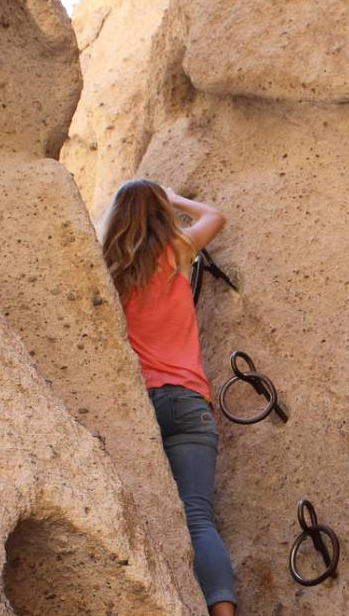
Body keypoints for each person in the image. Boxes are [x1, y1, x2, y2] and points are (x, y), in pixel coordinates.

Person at [101, 179, 236, 616]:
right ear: (159, 215)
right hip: (187, 400)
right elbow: (215, 217)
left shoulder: (108, 269)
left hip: (137, 407)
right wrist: (175, 199)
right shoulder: (176, 252)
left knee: (144, 515)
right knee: (197, 516)